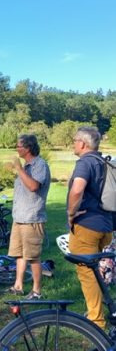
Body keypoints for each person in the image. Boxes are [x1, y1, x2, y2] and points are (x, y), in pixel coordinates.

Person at [67, 126, 113, 329]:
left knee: (87, 273)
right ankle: (103, 309)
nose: (73, 143)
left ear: (83, 144)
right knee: (96, 271)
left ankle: (96, 320)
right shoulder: (104, 161)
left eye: (75, 140)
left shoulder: (85, 162)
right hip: (107, 226)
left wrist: (70, 213)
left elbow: (77, 190)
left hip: (88, 226)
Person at [8, 134, 51, 300]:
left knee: (33, 256)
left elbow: (33, 186)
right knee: (20, 254)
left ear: (28, 148)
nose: (17, 148)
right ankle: (18, 286)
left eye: (19, 146)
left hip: (32, 218)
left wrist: (18, 169)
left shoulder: (40, 165)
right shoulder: (26, 166)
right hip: (19, 217)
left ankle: (37, 291)